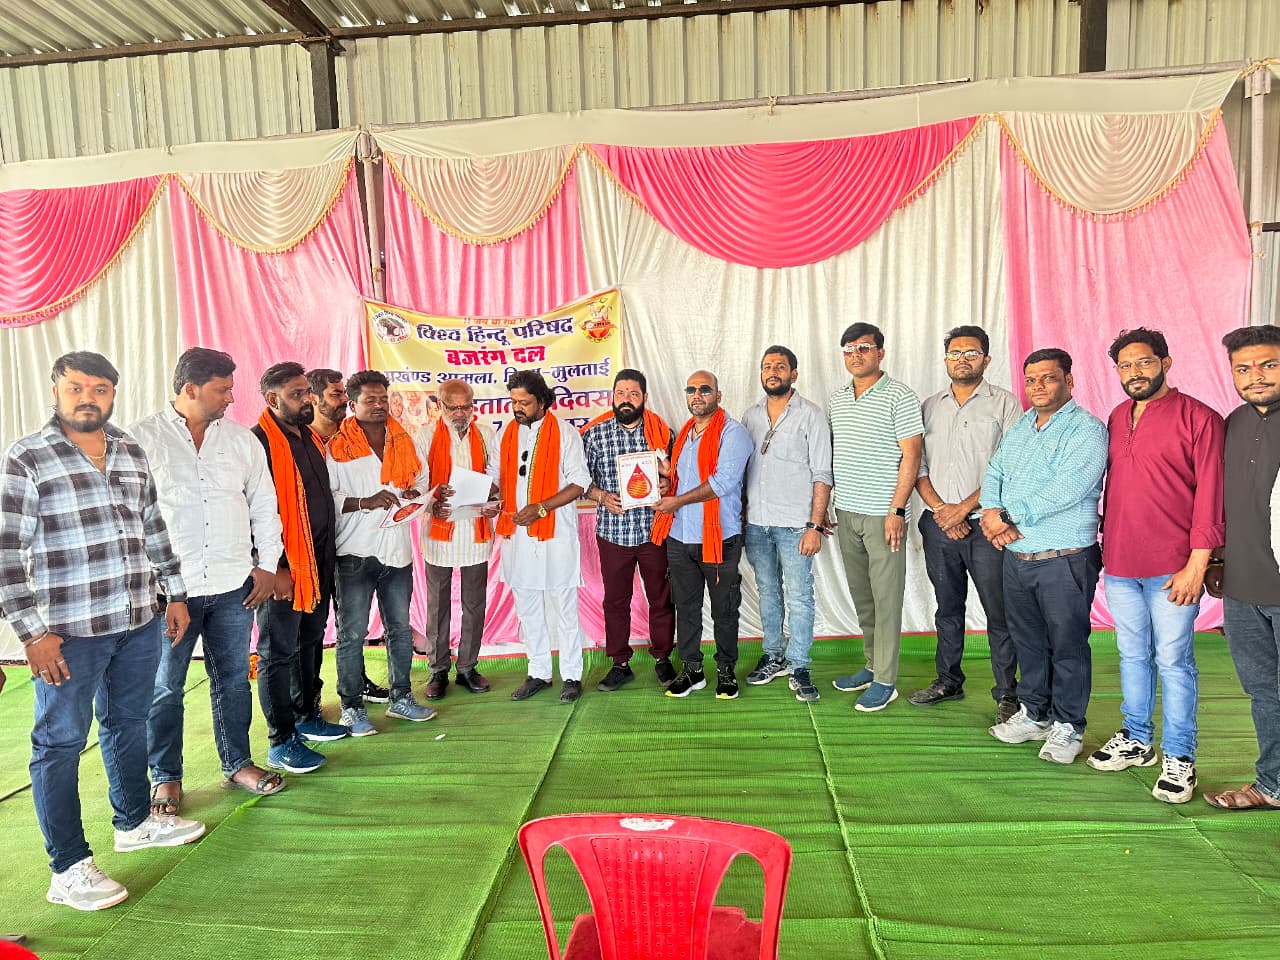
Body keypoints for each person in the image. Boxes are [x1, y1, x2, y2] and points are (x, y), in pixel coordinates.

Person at [0, 352, 205, 912]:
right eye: (75, 387)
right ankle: (67, 868)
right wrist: (32, 634)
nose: (87, 397)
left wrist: (175, 593)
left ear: (113, 393)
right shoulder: (28, 456)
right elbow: (7, 552)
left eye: (99, 388)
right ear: (56, 390)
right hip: (67, 632)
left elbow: (153, 527)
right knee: (60, 744)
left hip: (136, 620)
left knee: (128, 724)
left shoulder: (129, 450)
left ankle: (134, 823)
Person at [130, 348, 288, 812]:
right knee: (165, 686)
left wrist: (267, 564)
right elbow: (127, 514)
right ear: (190, 389)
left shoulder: (241, 441)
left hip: (232, 584)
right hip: (167, 592)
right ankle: (166, 777)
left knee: (234, 679)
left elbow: (265, 505)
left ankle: (237, 763)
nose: (230, 398)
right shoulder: (140, 439)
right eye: (222, 390)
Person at [1088, 328, 1223, 803]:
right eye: (1125, 366)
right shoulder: (1116, 416)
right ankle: (1137, 738)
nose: (1134, 372)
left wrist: (1197, 565)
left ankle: (1180, 756)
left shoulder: (1200, 418)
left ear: (1165, 363)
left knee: (1173, 660)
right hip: (1121, 563)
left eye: (1144, 362)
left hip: (1174, 568)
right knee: (1131, 655)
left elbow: (1212, 495)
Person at [983, 348, 1108, 765]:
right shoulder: (1022, 426)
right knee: (1029, 641)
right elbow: (995, 471)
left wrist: (1007, 516)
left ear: (1068, 381)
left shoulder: (1086, 430)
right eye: (1031, 379)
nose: (1038, 386)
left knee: (1067, 645)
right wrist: (991, 512)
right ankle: (1035, 713)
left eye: (1048, 378)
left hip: (1064, 558)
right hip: (1017, 558)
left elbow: (1069, 487)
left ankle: (1068, 726)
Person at [911, 326, 1022, 724]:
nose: (962, 359)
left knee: (999, 611)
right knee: (947, 607)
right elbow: (917, 465)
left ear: (986, 359)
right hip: (938, 523)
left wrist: (963, 509)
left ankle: (1008, 693)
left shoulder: (1005, 404)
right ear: (945, 360)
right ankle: (948, 681)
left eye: (971, 353)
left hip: (988, 527)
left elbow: (1009, 466)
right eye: (955, 353)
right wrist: (944, 511)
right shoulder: (929, 406)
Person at [252, 362, 349, 775]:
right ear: (272, 399)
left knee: (310, 641)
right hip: (284, 570)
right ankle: (281, 740)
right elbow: (254, 512)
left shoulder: (308, 437)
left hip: (317, 562)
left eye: (307, 392)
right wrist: (275, 568)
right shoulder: (258, 443)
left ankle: (307, 715)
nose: (307, 400)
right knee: (277, 653)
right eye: (297, 395)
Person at [328, 370, 435, 735]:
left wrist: (414, 494)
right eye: (370, 400)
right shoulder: (336, 446)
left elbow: (421, 480)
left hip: (397, 550)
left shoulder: (404, 439)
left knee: (400, 629)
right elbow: (327, 497)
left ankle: (401, 699)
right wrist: (365, 501)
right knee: (352, 633)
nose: (378, 405)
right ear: (352, 403)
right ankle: (351, 707)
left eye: (383, 399)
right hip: (354, 551)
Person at [1203, 324, 1280, 810]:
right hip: (1243, 588)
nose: (1257, 376)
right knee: (1263, 691)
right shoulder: (1230, 424)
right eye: (1244, 368)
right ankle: (1272, 783)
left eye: (1269, 364)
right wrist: (1217, 559)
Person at [827, 323, 923, 712]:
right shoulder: (837, 399)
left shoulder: (900, 396)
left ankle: (885, 680)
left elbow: (912, 455)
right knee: (863, 597)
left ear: (880, 353)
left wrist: (897, 510)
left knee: (886, 599)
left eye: (864, 347)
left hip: (884, 515)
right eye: (849, 348)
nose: (856, 355)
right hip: (847, 511)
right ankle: (871, 665)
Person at [653, 370, 753, 700]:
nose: (697, 395)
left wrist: (676, 501)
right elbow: (682, 479)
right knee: (686, 608)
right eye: (691, 389)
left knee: (724, 609)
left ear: (718, 396)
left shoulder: (733, 433)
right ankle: (692, 670)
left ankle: (726, 670)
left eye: (705, 389)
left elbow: (722, 483)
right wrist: (666, 481)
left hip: (719, 538)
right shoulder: (684, 435)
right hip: (680, 535)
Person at [742, 346, 833, 703]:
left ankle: (799, 665)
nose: (773, 372)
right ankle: (773, 656)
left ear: (794, 374)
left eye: (780, 366)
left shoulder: (811, 415)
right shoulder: (750, 416)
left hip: (797, 524)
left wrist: (815, 526)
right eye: (767, 366)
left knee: (799, 596)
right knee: (768, 592)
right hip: (757, 523)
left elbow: (822, 473)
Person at [497, 370, 591, 703]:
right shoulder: (505, 435)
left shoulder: (565, 433)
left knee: (565, 609)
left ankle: (572, 675)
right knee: (528, 609)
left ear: (542, 402)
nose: (517, 408)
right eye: (513, 402)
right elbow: (496, 478)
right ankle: (538, 671)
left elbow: (580, 482)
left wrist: (541, 508)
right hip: (517, 538)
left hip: (555, 537)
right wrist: (488, 499)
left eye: (524, 403)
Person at [581, 369, 677, 692]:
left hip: (654, 531)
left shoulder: (661, 433)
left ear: (644, 398)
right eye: (620, 393)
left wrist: (666, 485)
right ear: (612, 396)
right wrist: (601, 496)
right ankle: (620, 663)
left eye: (633, 394)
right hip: (613, 533)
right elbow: (578, 481)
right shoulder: (594, 435)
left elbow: (676, 478)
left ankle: (662, 658)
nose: (626, 399)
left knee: (661, 597)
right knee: (615, 601)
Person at [307, 367, 389, 705]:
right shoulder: (304, 441)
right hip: (311, 547)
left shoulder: (350, 436)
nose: (344, 400)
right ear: (314, 399)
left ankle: (357, 683)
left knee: (351, 624)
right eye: (336, 394)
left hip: (347, 546)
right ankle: (309, 697)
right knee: (311, 627)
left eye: (344, 393)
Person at [414, 378, 500, 700]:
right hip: (439, 533)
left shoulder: (486, 435)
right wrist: (433, 499)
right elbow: (418, 482)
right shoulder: (424, 437)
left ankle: (467, 667)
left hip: (475, 531)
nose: (460, 413)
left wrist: (491, 497)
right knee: (437, 605)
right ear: (440, 406)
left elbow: (496, 477)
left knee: (474, 603)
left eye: (466, 407)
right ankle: (437, 670)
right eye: (453, 408)